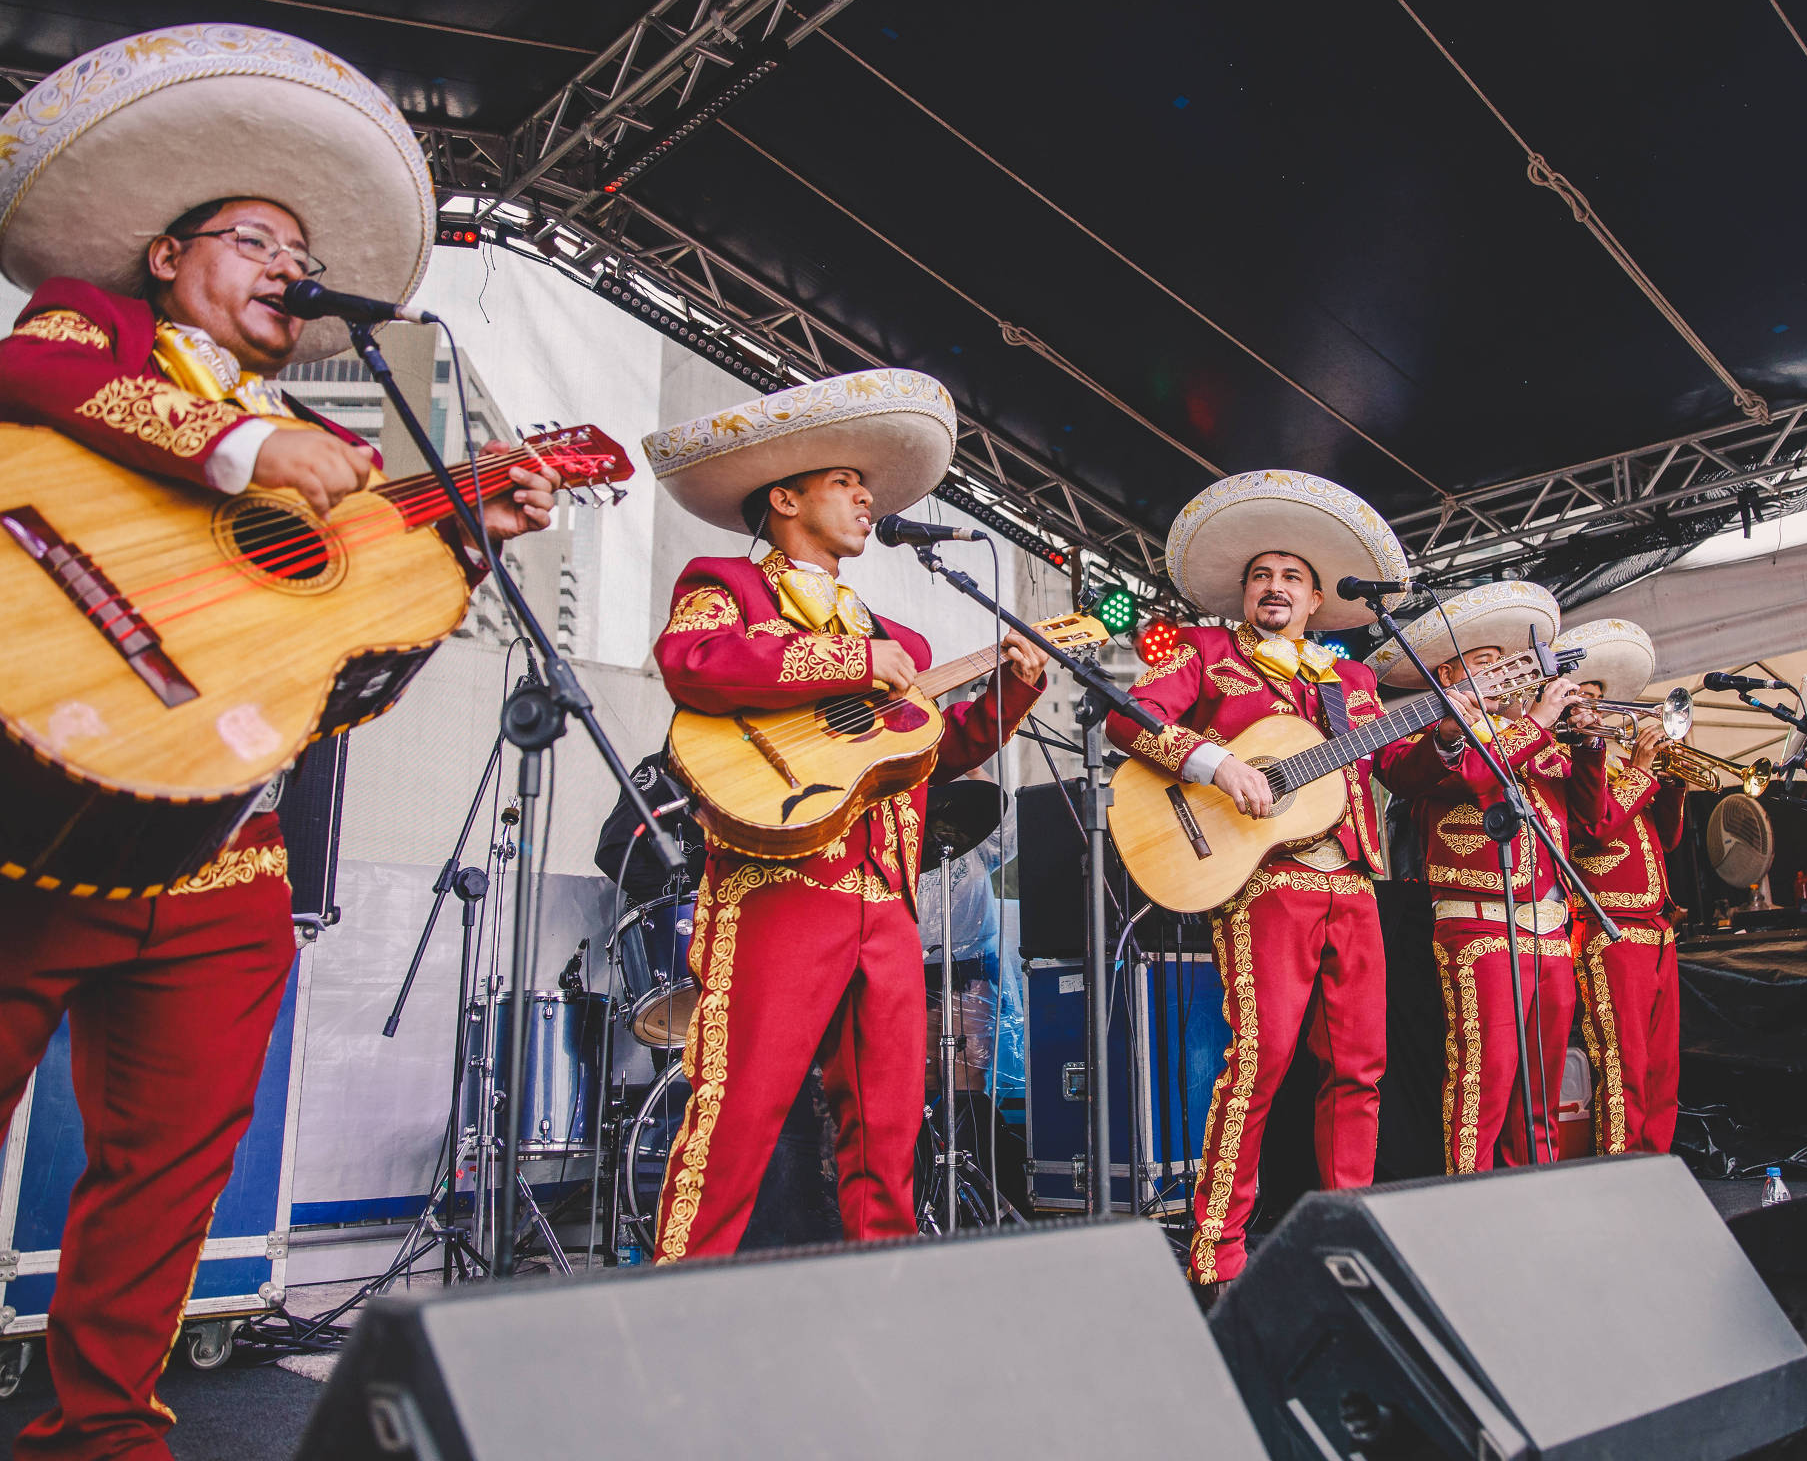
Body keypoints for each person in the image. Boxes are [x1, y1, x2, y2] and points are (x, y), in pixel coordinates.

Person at [0, 25, 556, 1461]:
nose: (289, 262)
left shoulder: (323, 458)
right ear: (168, 254)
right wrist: (239, 451)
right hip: (27, 823)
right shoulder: (103, 328)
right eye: (256, 237)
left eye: (301, 250)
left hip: (225, 854)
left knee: (168, 1170)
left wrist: (448, 554)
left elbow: (331, 682)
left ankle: (105, 1431)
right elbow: (27, 376)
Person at [638, 370, 1045, 1258]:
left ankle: (882, 1308)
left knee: (892, 1128)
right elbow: (694, 660)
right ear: (784, 499)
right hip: (780, 886)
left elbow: (928, 758)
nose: (867, 498)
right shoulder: (726, 586)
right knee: (738, 1109)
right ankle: (672, 1307)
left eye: (869, 488)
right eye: (845, 484)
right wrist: (853, 664)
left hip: (886, 904)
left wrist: (1010, 696)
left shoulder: (909, 644)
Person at [1105, 470, 1412, 1297]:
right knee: (1261, 1060)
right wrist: (1216, 762)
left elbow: (1402, 763)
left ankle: (1349, 1235)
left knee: (1361, 1066)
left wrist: (1458, 729)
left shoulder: (1353, 684)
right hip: (1262, 879)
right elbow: (1126, 716)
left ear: (1317, 599)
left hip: (1351, 880)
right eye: (1261, 576)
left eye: (1291, 578)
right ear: (1246, 593)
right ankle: (1217, 1246)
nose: (1274, 588)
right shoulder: (1209, 655)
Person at [1371, 583, 1588, 1172]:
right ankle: (1470, 1202)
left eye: (1507, 664)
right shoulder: (1421, 742)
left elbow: (1595, 817)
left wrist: (1589, 741)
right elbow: (1473, 775)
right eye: (1488, 665)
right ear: (1447, 673)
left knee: (1542, 1087)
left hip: (1549, 928)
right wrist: (1538, 720)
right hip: (1480, 928)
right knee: (1482, 1082)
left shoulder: (1531, 739)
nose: (1507, 675)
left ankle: (1534, 1197)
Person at [1556, 619, 1689, 1156]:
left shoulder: (1614, 765)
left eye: (1595, 700)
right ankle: (1624, 1168)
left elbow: (1669, 842)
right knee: (1624, 1065)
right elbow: (1592, 828)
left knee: (1663, 1066)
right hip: (1608, 932)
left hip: (1657, 930)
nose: (1591, 711)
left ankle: (1657, 1163)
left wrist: (1671, 783)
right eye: (1578, 701)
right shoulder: (1564, 763)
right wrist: (1639, 769)